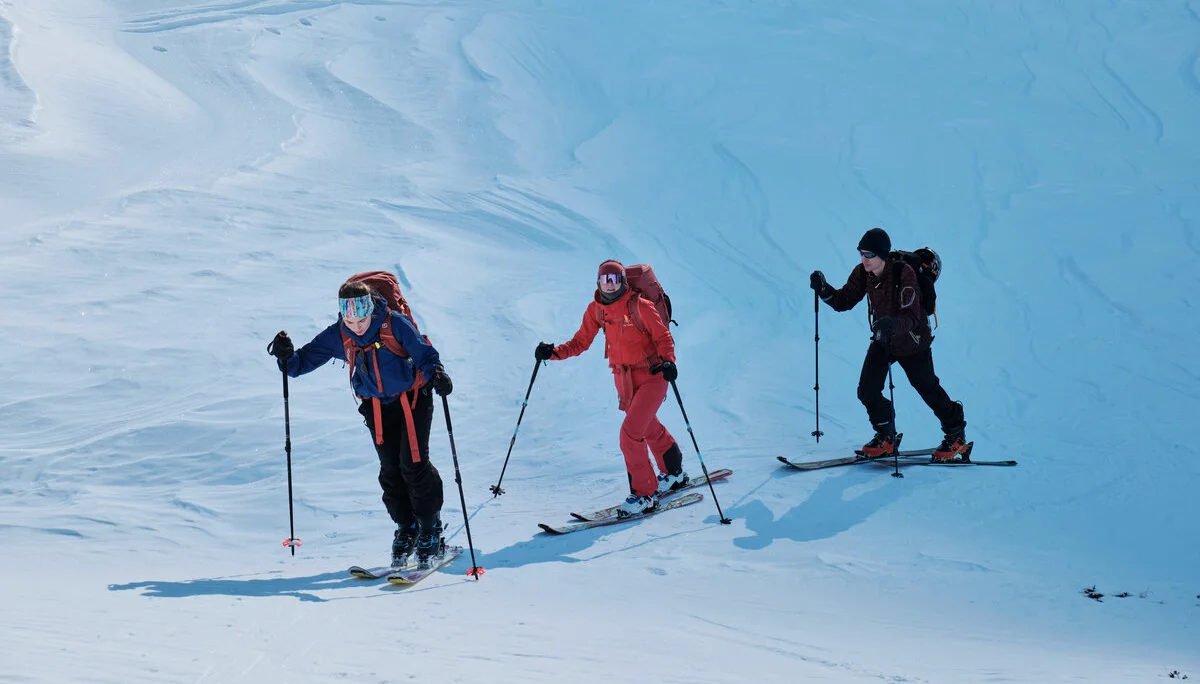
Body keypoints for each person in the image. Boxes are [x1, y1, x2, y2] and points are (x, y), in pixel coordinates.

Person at [268, 278, 454, 568]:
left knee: (414, 465)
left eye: (362, 320)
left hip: (413, 400)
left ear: (370, 310)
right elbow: (299, 365)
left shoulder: (395, 324)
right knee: (390, 470)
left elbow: (424, 354)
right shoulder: (339, 334)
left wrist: (438, 374)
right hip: (376, 407)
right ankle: (407, 528)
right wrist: (285, 355)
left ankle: (430, 529)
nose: (357, 326)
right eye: (350, 321)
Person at [535, 260, 688, 517]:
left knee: (630, 433)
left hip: (653, 375)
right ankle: (673, 472)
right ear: (598, 283)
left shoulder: (641, 306)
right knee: (645, 426)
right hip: (623, 377)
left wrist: (669, 362)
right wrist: (553, 353)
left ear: (623, 281)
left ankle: (645, 494)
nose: (609, 285)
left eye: (614, 280)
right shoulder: (597, 310)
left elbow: (663, 337)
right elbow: (580, 342)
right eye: (605, 280)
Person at [809, 227, 968, 461]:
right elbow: (844, 301)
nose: (864, 259)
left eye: (869, 254)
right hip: (883, 339)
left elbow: (912, 317)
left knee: (927, 388)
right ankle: (886, 435)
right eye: (862, 253)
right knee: (867, 389)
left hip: (913, 341)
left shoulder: (904, 273)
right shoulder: (863, 272)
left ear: (882, 255)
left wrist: (891, 324)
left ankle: (956, 433)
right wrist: (824, 290)